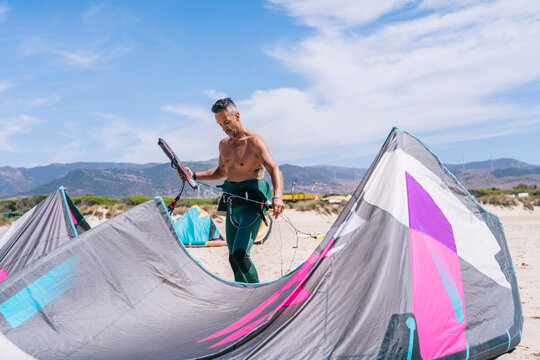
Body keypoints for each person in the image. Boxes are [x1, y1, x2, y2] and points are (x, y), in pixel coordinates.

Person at [186, 98, 285, 283]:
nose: (224, 127)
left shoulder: (254, 141)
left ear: (237, 116)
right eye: (219, 124)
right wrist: (194, 175)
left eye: (226, 122)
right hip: (232, 204)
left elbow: (274, 169)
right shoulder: (223, 145)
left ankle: (259, 296)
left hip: (252, 205)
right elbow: (220, 172)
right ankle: (244, 299)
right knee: (233, 258)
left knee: (241, 255)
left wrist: (278, 196)